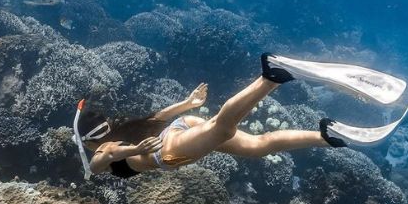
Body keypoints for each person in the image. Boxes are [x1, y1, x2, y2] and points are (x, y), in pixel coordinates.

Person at [73, 52, 353, 180]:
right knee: (258, 146)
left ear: (88, 140)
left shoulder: (104, 148)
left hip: (170, 151)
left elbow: (102, 160)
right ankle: (326, 136)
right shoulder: (125, 131)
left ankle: (271, 77)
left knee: (222, 127)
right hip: (178, 129)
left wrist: (134, 149)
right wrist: (187, 103)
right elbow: (159, 116)